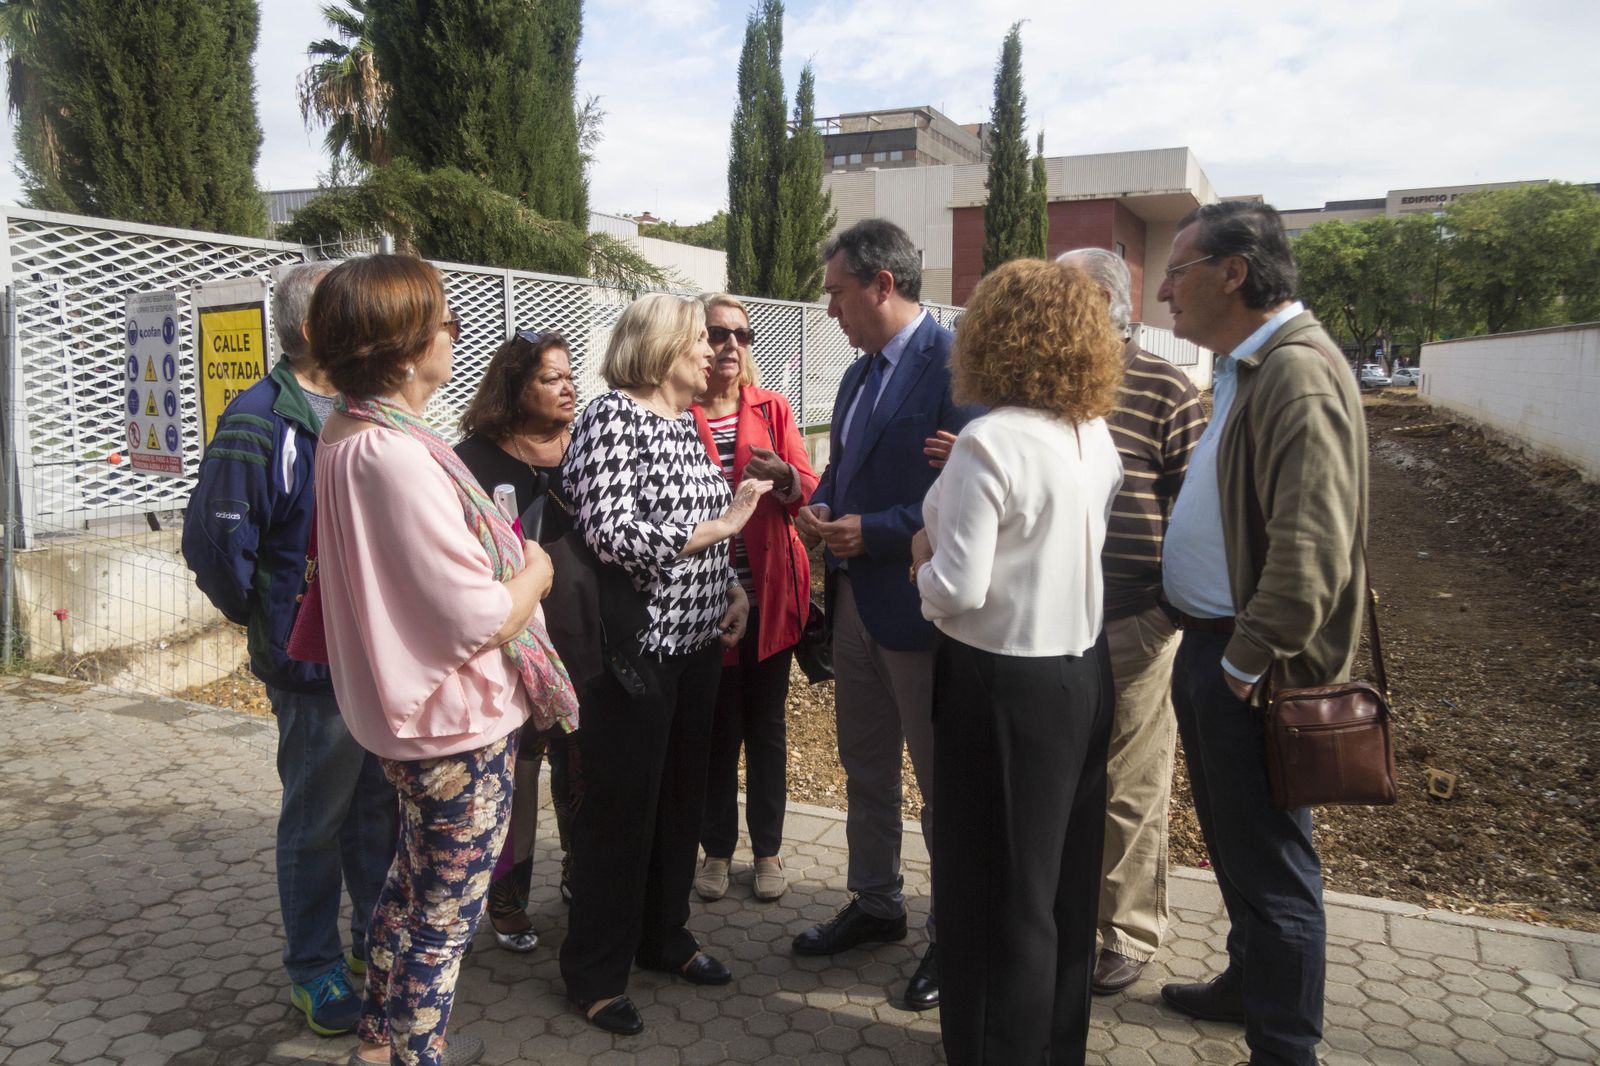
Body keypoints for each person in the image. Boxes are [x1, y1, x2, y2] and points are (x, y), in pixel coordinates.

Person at [308, 254, 578, 1066]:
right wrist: (536, 570)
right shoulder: (394, 454)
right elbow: (479, 615)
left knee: (409, 889)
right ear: (403, 349)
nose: (455, 335)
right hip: (455, 723)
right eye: (444, 322)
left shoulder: (351, 428)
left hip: (414, 717)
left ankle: (377, 1046)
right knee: (444, 922)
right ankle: (413, 1053)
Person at [1157, 201, 1369, 1066]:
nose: (1165, 293)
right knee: (1238, 848)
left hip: (1252, 665)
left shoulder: (1296, 374)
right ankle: (1249, 984)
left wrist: (1243, 665)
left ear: (1233, 272)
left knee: (1275, 866)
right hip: (1215, 648)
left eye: (1177, 272)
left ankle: (1285, 1048)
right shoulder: (1251, 367)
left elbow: (1309, 554)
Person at [909, 258, 1123, 1065]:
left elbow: (959, 588)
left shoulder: (989, 439)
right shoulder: (1091, 433)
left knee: (995, 892)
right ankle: (1052, 1046)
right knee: (1062, 885)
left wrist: (918, 567)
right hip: (1081, 673)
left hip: (1000, 681)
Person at [182, 262, 398, 1038]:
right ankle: (313, 968)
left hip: (371, 658)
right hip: (311, 668)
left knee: (375, 807)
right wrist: (272, 618)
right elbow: (215, 545)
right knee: (315, 817)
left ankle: (375, 941)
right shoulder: (260, 418)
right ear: (314, 327)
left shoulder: (363, 407)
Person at [558, 293, 772, 1036]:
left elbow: (694, 527)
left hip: (695, 646)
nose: (713, 353)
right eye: (698, 341)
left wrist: (730, 589)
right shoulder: (612, 417)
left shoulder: (681, 422)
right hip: (635, 654)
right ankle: (594, 973)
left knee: (681, 801)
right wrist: (724, 524)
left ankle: (663, 936)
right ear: (659, 350)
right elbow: (611, 533)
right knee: (621, 814)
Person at [792, 218, 981, 1012]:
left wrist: (872, 530)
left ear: (882, 284)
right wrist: (821, 503)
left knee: (942, 786)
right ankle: (877, 903)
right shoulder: (856, 375)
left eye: (837, 293)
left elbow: (968, 497)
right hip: (855, 607)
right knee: (865, 767)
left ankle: (956, 935)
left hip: (920, 609)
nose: (830, 309)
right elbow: (844, 467)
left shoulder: (956, 368)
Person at [1057, 247, 1205, 995]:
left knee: (1130, 780)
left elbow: (1197, 508)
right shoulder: (1052, 382)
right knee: (1069, 775)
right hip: (1056, 620)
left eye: (1066, 296)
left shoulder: (1164, 387)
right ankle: (1072, 912)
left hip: (1131, 620)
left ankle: (1129, 930)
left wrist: (1165, 608)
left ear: (1105, 305)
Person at [689, 293, 819, 904]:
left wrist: (787, 477)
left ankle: (767, 851)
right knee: (716, 731)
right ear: (697, 340)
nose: (730, 345)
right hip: (704, 601)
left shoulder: (772, 408)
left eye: (741, 335)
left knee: (766, 729)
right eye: (717, 333)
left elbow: (808, 492)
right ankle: (716, 849)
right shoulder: (678, 411)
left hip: (769, 595)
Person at [454, 328, 582, 951]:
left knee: (579, 765)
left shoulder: (587, 448)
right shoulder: (474, 461)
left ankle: (580, 873)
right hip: (513, 640)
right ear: (514, 386)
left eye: (570, 376)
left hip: (583, 636)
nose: (568, 388)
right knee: (519, 771)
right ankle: (508, 899)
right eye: (551, 378)